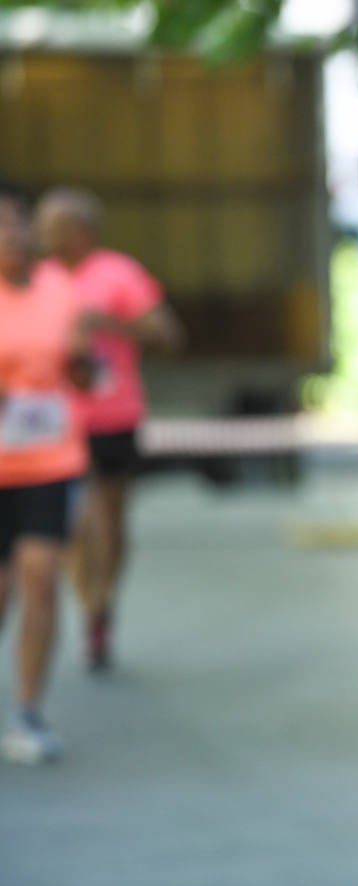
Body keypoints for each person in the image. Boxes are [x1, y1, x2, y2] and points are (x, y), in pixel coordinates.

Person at [35, 187, 182, 671]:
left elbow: (166, 333)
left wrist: (111, 323)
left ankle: (103, 602)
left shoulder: (118, 274)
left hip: (112, 416)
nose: (45, 237)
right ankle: (89, 605)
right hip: (55, 424)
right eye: (42, 227)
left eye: (56, 228)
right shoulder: (37, 279)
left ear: (83, 232)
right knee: (80, 523)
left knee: (110, 520)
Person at [0, 182, 93, 763]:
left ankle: (28, 710)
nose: (12, 236)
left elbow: (81, 376)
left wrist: (84, 365)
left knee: (39, 575)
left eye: (18, 224)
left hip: (50, 458)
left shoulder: (61, 290)